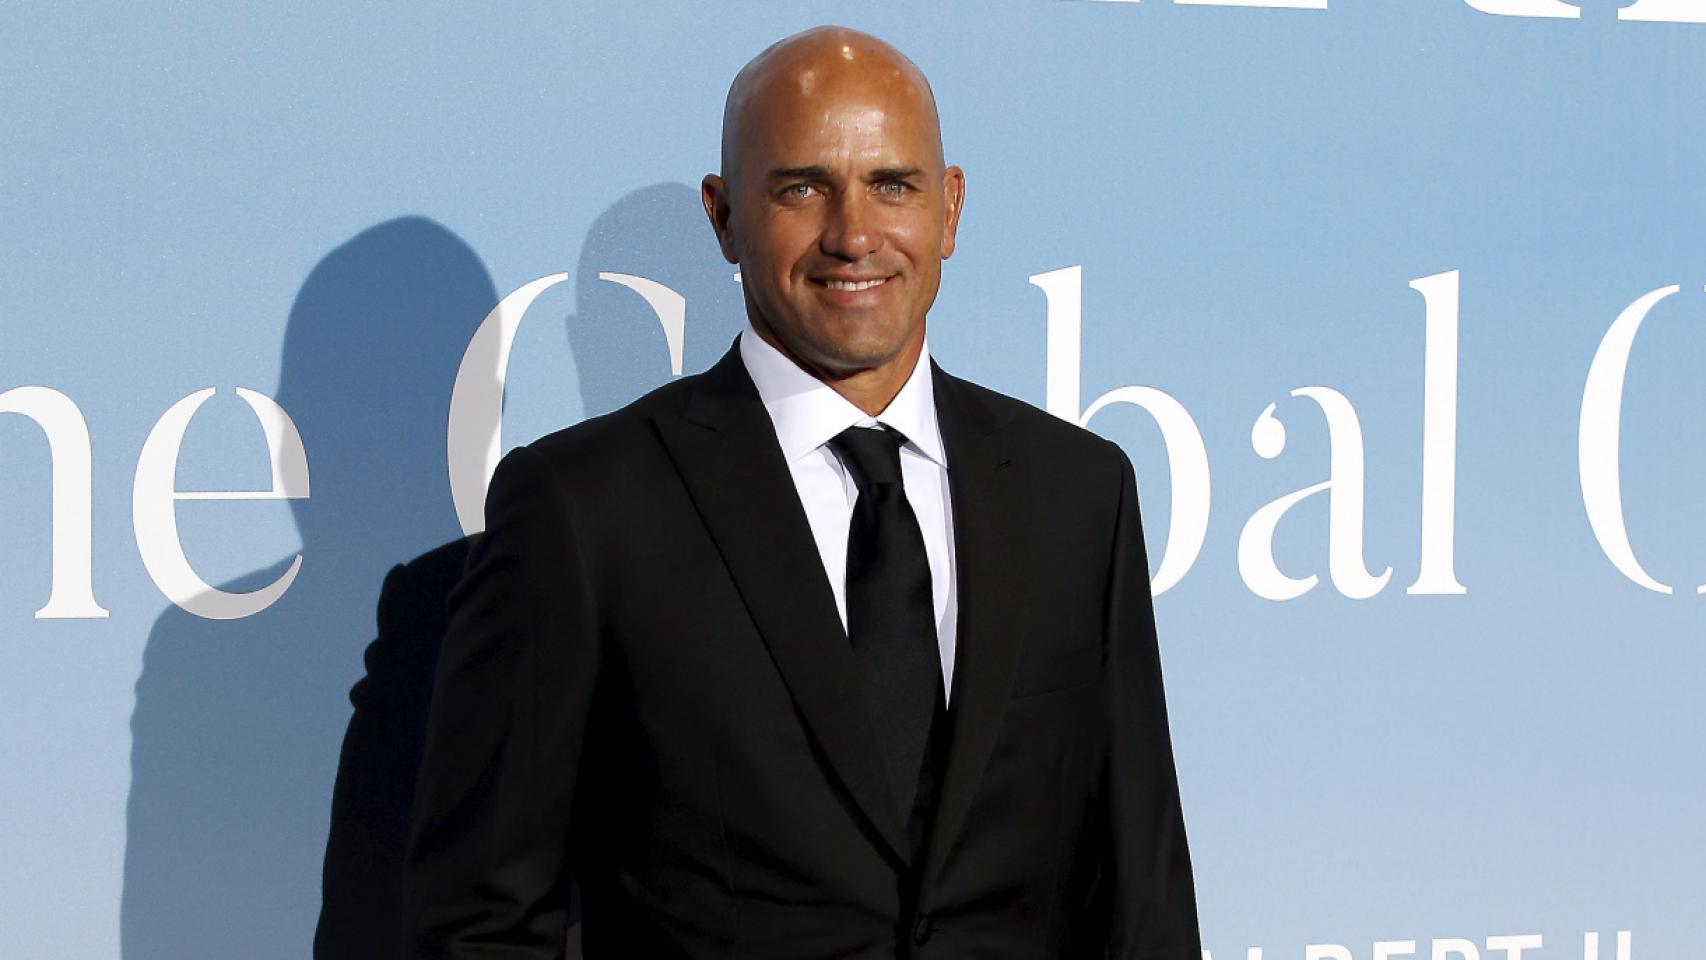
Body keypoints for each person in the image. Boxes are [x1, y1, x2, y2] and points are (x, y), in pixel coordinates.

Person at [403, 25, 1200, 958]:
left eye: (892, 185)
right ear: (724, 217)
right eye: (802, 188)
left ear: (949, 208)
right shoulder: (583, 510)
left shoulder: (1079, 493)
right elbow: (481, 925)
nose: (853, 235)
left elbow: (1144, 902)